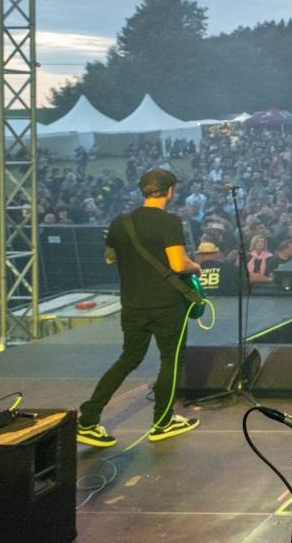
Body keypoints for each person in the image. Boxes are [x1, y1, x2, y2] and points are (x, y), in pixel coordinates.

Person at [76, 168, 202, 447]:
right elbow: (178, 264)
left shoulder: (121, 222)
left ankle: (88, 420)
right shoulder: (169, 222)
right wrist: (197, 266)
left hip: (132, 306)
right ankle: (162, 422)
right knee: (171, 359)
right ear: (170, 191)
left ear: (143, 191)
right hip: (167, 305)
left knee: (128, 359)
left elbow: (110, 258)